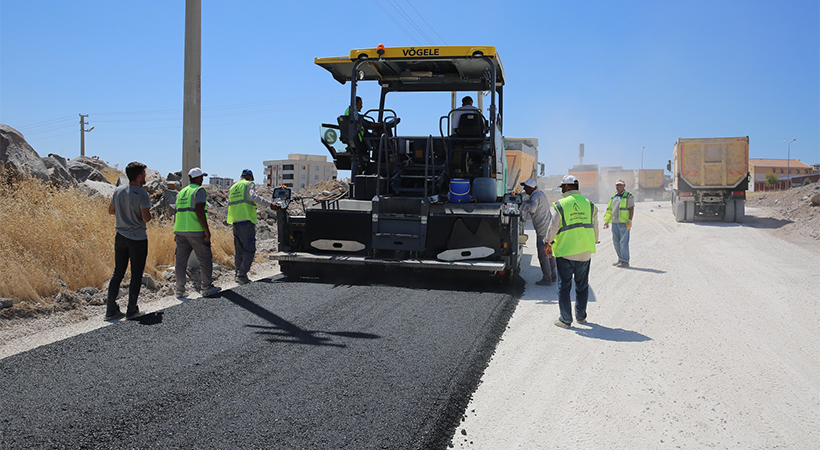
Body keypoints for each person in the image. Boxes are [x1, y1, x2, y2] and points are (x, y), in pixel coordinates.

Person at [545, 175, 599, 328]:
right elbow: (595, 227)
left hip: (566, 252)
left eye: (562, 186)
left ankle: (566, 319)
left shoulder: (561, 205)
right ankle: (581, 317)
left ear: (568, 187)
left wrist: (548, 242)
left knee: (564, 286)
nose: (561, 189)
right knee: (582, 286)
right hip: (584, 253)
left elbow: (553, 226)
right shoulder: (590, 205)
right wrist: (593, 242)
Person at [105, 162, 152, 321]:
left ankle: (111, 309)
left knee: (118, 273)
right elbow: (146, 218)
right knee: (136, 274)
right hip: (137, 238)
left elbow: (111, 211)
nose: (145, 177)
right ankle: (132, 309)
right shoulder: (142, 195)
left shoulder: (118, 191)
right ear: (139, 176)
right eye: (144, 174)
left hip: (120, 236)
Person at [173, 167, 221, 299]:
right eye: (202, 177)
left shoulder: (181, 192)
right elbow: (199, 210)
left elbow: (177, 212)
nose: (203, 179)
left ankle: (179, 290)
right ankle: (206, 287)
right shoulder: (199, 191)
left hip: (180, 231)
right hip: (195, 231)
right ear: (198, 178)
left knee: (180, 263)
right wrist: (206, 230)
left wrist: (175, 232)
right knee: (205, 259)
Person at [227, 169, 274, 284]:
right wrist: (270, 204)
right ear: (249, 177)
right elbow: (253, 197)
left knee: (239, 250)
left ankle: (237, 273)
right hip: (246, 221)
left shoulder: (233, 187)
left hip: (235, 221)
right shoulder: (249, 184)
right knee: (249, 249)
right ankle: (242, 275)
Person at [519, 178, 556, 286]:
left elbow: (532, 208)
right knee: (550, 252)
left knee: (543, 254)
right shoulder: (541, 194)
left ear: (531, 188)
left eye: (526, 187)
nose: (524, 189)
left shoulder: (535, 196)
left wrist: (521, 205)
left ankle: (547, 279)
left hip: (542, 230)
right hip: (548, 227)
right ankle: (553, 275)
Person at [603, 178, 635, 268]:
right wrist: (607, 221)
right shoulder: (614, 196)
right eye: (617, 185)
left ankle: (625, 261)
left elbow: (631, 208)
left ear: (624, 186)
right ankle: (620, 259)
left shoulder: (628, 195)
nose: (619, 186)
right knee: (616, 242)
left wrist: (629, 221)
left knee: (623, 242)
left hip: (624, 223)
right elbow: (609, 209)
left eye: (620, 185)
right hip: (615, 223)